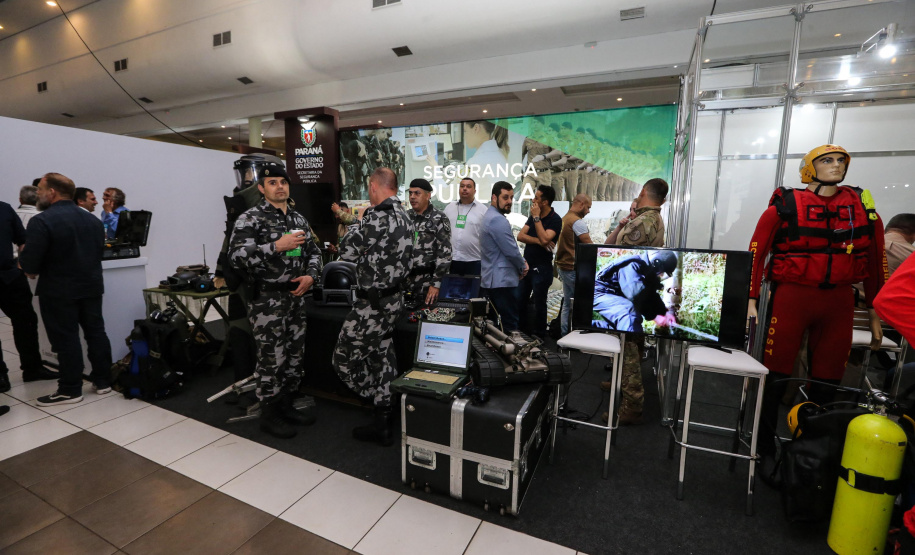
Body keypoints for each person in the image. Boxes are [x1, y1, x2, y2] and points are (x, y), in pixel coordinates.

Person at [746, 144, 886, 480]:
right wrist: (750, 298)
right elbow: (756, 252)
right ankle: (764, 445)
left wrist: (875, 310)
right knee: (776, 375)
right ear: (810, 167)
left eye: (841, 160)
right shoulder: (783, 208)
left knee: (828, 380)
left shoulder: (864, 212)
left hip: (839, 301)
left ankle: (812, 451)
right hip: (793, 297)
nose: (836, 165)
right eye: (827, 160)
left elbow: (874, 262)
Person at [229, 162, 322, 439]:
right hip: (267, 300)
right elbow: (236, 258)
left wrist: (311, 276)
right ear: (261, 188)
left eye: (283, 182)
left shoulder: (298, 219)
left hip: (294, 298)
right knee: (272, 358)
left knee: (294, 356)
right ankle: (269, 414)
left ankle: (286, 405)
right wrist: (276, 247)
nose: (279, 186)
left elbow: (314, 252)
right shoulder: (250, 219)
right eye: (272, 182)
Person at [333, 167, 414, 446]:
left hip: (372, 305)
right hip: (395, 301)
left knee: (342, 359)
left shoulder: (373, 218)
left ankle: (376, 401)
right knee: (382, 356)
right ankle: (384, 418)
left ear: (373, 186)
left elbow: (346, 250)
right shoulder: (407, 216)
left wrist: (356, 221)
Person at [19, 173, 113, 406]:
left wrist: (28, 264)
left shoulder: (42, 221)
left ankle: (70, 389)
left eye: (40, 189)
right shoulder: (93, 221)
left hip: (58, 289)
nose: (38, 193)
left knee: (66, 338)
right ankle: (103, 381)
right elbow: (98, 253)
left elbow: (30, 264)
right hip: (91, 285)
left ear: (52, 192)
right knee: (96, 332)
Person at [601, 178, 670, 425]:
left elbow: (625, 261)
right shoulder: (650, 219)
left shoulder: (643, 222)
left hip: (630, 296)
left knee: (628, 349)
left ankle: (632, 405)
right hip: (636, 295)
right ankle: (621, 381)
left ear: (642, 192)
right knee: (631, 345)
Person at [0, 200, 58, 393]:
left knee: (27, 321)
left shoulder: (4, 208)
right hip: (9, 275)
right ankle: (0, 376)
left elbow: (22, 239)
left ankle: (32, 368)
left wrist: (22, 265)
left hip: (8, 275)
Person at [481, 181, 528, 331]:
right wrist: (522, 266)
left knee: (494, 327)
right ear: (494, 197)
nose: (509, 202)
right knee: (510, 325)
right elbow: (511, 250)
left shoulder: (490, 216)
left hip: (494, 279)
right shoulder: (497, 219)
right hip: (502, 282)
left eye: (511, 197)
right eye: (505, 197)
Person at [517, 185, 562, 338]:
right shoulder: (532, 216)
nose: (533, 200)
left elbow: (546, 238)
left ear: (545, 202)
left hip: (542, 269)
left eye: (536, 198)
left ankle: (539, 335)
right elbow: (521, 236)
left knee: (539, 304)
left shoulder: (555, 220)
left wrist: (537, 218)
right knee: (520, 299)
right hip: (527, 266)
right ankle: (521, 331)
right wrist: (539, 241)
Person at [405, 178, 452, 306]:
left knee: (424, 319)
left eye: (417, 193)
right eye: (410, 193)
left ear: (428, 195)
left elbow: (445, 254)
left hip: (427, 282)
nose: (412, 197)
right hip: (404, 282)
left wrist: (436, 284)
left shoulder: (439, 218)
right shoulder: (405, 217)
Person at [555, 194, 593, 335]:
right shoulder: (577, 222)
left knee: (567, 303)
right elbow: (590, 246)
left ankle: (565, 334)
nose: (588, 211)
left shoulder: (564, 219)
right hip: (572, 268)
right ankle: (578, 336)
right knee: (582, 303)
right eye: (588, 207)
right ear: (581, 204)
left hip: (563, 267)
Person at [443, 177, 488, 276]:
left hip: (473, 260)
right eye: (462, 186)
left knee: (472, 291)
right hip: (451, 259)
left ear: (475, 191)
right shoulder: (449, 207)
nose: (464, 189)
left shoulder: (483, 210)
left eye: (468, 186)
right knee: (451, 290)